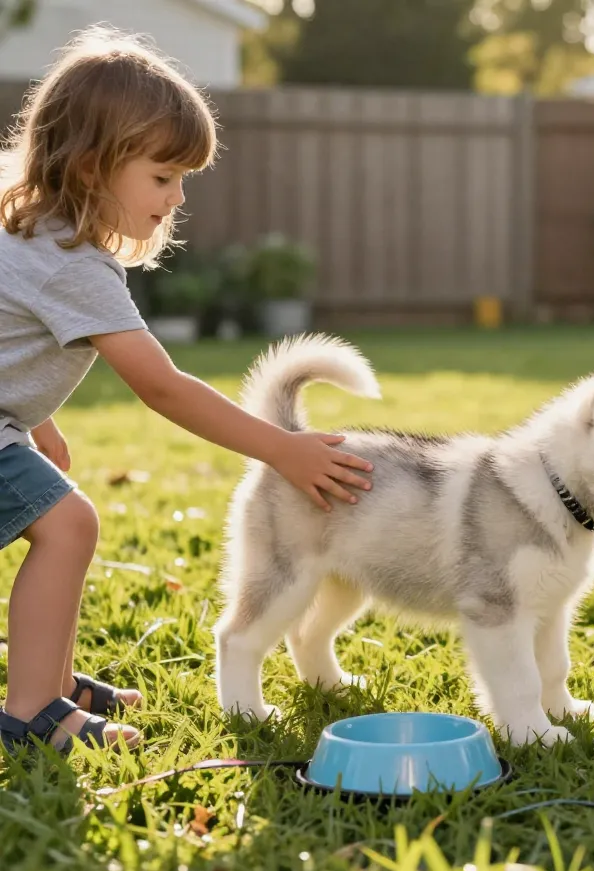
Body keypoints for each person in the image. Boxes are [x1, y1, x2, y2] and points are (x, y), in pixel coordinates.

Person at [0, 27, 374, 755]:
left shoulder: (29, 229)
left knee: (61, 523)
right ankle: (30, 712)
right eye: (163, 176)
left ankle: (50, 679)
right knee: (69, 526)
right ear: (89, 167)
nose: (175, 199)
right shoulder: (72, 261)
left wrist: (31, 421)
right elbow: (162, 387)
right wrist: (283, 450)